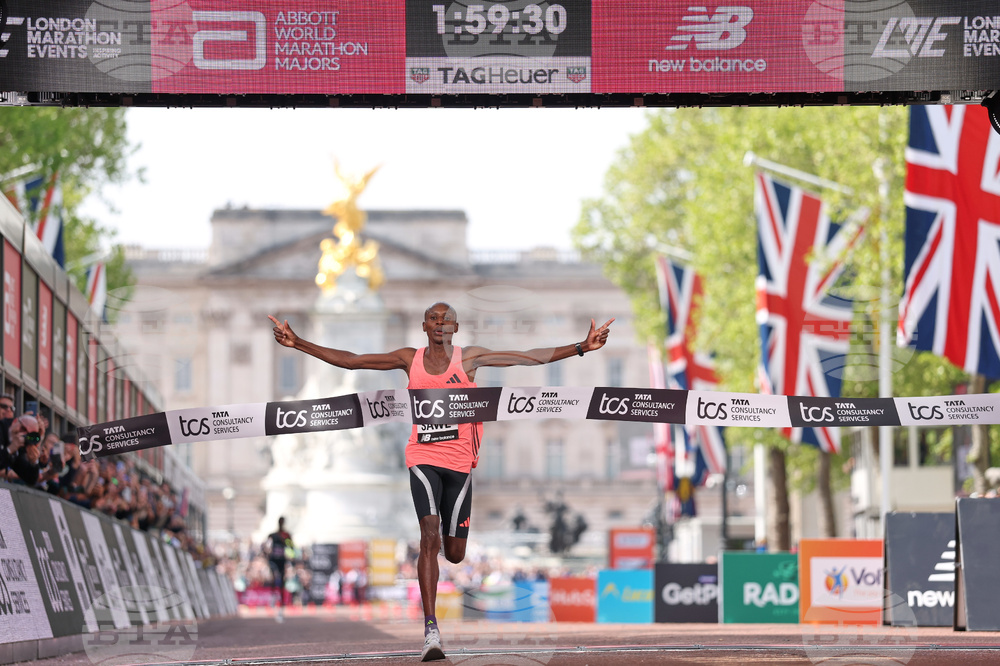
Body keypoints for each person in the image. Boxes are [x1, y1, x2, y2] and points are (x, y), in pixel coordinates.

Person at [269, 302, 613, 661]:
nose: (440, 324)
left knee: (455, 553)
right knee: (428, 535)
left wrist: (580, 347)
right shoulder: (409, 359)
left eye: (447, 320)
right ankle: (431, 628)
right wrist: (299, 342)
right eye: (433, 318)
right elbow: (353, 361)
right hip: (422, 457)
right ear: (424, 326)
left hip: (460, 462)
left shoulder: (470, 359)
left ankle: (447, 553)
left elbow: (526, 357)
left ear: (455, 328)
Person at [264, 516, 295, 623]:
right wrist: (267, 554)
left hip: (282, 560)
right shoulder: (272, 535)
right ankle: (273, 596)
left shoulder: (286, 535)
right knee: (273, 577)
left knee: (282, 581)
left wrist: (286, 542)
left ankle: (281, 604)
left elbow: (291, 547)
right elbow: (265, 546)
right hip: (273, 560)